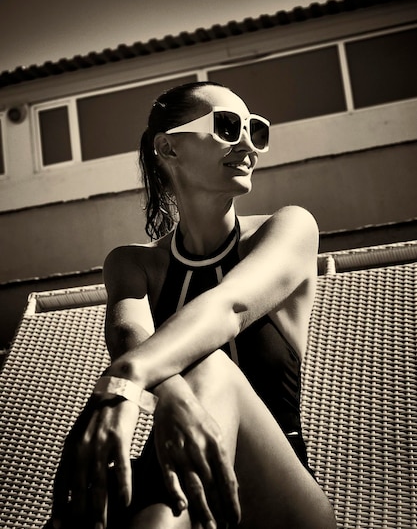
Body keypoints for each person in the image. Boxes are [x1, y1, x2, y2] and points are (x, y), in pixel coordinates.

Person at [50, 81, 337, 529]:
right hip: (175, 477)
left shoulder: (289, 229)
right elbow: (132, 339)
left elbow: (227, 309)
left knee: (214, 368)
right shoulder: (132, 264)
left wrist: (125, 380)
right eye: (227, 126)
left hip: (280, 498)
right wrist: (171, 389)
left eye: (255, 130)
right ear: (168, 147)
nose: (248, 145)